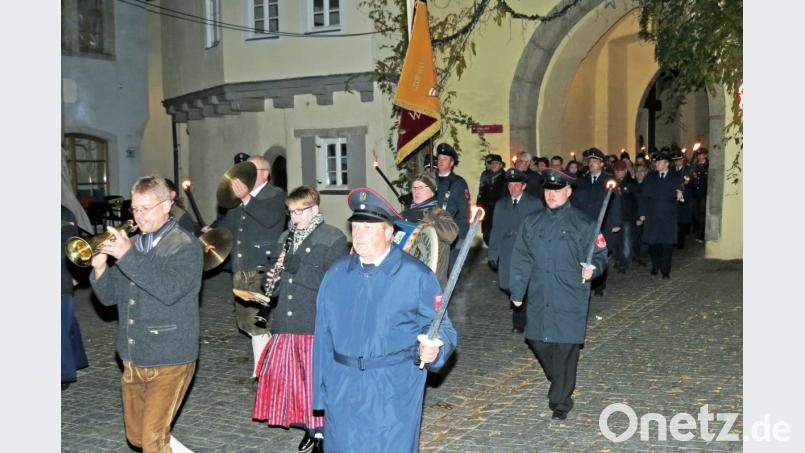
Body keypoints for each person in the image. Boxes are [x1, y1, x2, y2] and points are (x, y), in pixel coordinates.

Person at [312, 187, 457, 453]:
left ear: (390, 233)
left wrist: (435, 348)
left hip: (392, 390)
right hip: (343, 389)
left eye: (368, 229)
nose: (359, 235)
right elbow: (322, 338)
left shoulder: (416, 276)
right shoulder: (335, 276)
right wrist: (320, 395)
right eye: (355, 227)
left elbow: (442, 328)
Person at [89, 175, 202, 452]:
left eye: (145, 208)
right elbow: (108, 298)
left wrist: (127, 255)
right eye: (135, 209)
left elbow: (168, 289)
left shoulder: (186, 246)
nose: (138, 216)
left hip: (170, 358)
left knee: (152, 442)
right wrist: (101, 268)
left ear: (166, 205)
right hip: (132, 356)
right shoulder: (136, 243)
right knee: (138, 437)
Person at [253, 186, 347, 452]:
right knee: (296, 385)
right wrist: (270, 280)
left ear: (315, 209)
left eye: (299, 212)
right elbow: (281, 280)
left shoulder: (333, 238)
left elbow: (333, 284)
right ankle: (309, 427)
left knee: (317, 383)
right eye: (291, 212)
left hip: (314, 322)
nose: (293, 218)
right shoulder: (286, 236)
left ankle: (323, 433)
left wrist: (296, 267)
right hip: (286, 322)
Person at [509, 169, 607, 421]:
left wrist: (592, 268)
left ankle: (560, 401)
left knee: (565, 348)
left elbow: (598, 255)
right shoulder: (532, 222)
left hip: (569, 295)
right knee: (537, 341)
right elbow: (521, 258)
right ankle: (560, 380)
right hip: (541, 295)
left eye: (557, 190)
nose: (551, 195)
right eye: (548, 190)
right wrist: (518, 290)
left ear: (568, 191)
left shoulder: (584, 223)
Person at [215, 155, 288, 378]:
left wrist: (246, 198)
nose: (244, 173)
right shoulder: (238, 201)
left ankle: (263, 373)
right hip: (241, 267)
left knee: (257, 322)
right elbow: (226, 227)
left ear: (265, 174)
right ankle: (269, 365)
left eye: (251, 169)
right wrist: (209, 235)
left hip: (262, 269)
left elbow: (269, 219)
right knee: (246, 322)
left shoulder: (275, 195)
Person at [487, 169, 543, 333]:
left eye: (516, 185)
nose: (513, 188)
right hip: (506, 251)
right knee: (507, 285)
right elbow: (496, 229)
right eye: (510, 185)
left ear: (524, 186)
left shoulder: (534, 203)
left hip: (526, 252)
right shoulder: (501, 204)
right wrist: (493, 253)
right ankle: (520, 308)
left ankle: (520, 322)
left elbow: (539, 229)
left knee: (524, 285)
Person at [570, 148, 622, 296]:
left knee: (600, 254)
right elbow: (575, 201)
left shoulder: (608, 181)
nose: (591, 164)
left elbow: (616, 201)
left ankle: (600, 285)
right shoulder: (582, 181)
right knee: (585, 253)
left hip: (603, 224)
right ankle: (588, 283)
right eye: (590, 161)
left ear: (601, 164)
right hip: (585, 225)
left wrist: (616, 222)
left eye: (595, 161)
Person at [401, 173, 459, 288]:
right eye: (414, 188)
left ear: (432, 191)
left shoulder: (439, 214)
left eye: (421, 187)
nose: (416, 191)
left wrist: (426, 217)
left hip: (432, 280)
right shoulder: (406, 214)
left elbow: (451, 234)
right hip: (407, 280)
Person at [637, 151, 684, 279]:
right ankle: (655, 265)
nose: (656, 164)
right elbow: (643, 197)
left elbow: (681, 192)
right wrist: (642, 213)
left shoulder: (675, 177)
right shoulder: (651, 177)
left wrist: (680, 195)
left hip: (668, 217)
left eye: (659, 162)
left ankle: (665, 270)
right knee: (653, 244)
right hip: (652, 216)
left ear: (666, 164)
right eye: (656, 162)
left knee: (667, 244)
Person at [62, 205, 88, 390]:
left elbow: (74, 247)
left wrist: (76, 275)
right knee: (67, 324)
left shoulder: (63, 214)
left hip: (60, 279)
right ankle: (76, 359)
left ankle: (62, 374)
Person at [434, 143, 470, 270]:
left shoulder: (459, 183)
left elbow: (464, 213)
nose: (440, 161)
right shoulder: (430, 180)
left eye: (444, 158)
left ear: (452, 163)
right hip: (431, 232)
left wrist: (461, 238)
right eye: (439, 158)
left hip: (450, 233)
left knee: (448, 271)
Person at [612, 161, 638, 273]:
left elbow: (634, 194)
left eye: (621, 170)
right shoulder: (611, 182)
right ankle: (618, 259)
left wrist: (622, 189)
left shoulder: (631, 182)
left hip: (627, 217)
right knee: (615, 241)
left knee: (626, 241)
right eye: (616, 170)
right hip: (614, 217)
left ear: (625, 171)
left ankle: (624, 262)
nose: (618, 173)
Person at [476, 154, 506, 245]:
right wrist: (479, 207)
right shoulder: (485, 175)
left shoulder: (505, 177)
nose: (494, 165)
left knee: (498, 236)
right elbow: (481, 193)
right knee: (487, 235)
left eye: (496, 163)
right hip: (487, 211)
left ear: (501, 165)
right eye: (492, 163)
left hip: (500, 211)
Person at [670, 150, 694, 249]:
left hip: (685, 197)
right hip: (673, 197)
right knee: (674, 221)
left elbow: (693, 184)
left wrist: (688, 183)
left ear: (682, 159)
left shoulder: (688, 170)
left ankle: (681, 241)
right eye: (675, 160)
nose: (677, 162)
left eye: (678, 160)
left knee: (682, 221)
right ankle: (674, 240)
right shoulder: (671, 170)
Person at [689, 148, 709, 242]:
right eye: (698, 155)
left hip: (703, 193)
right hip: (695, 193)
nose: (700, 156)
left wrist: (700, 175)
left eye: (702, 155)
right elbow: (690, 175)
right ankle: (698, 231)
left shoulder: (708, 164)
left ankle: (701, 235)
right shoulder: (695, 164)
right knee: (695, 214)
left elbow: (708, 176)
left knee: (702, 214)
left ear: (705, 155)